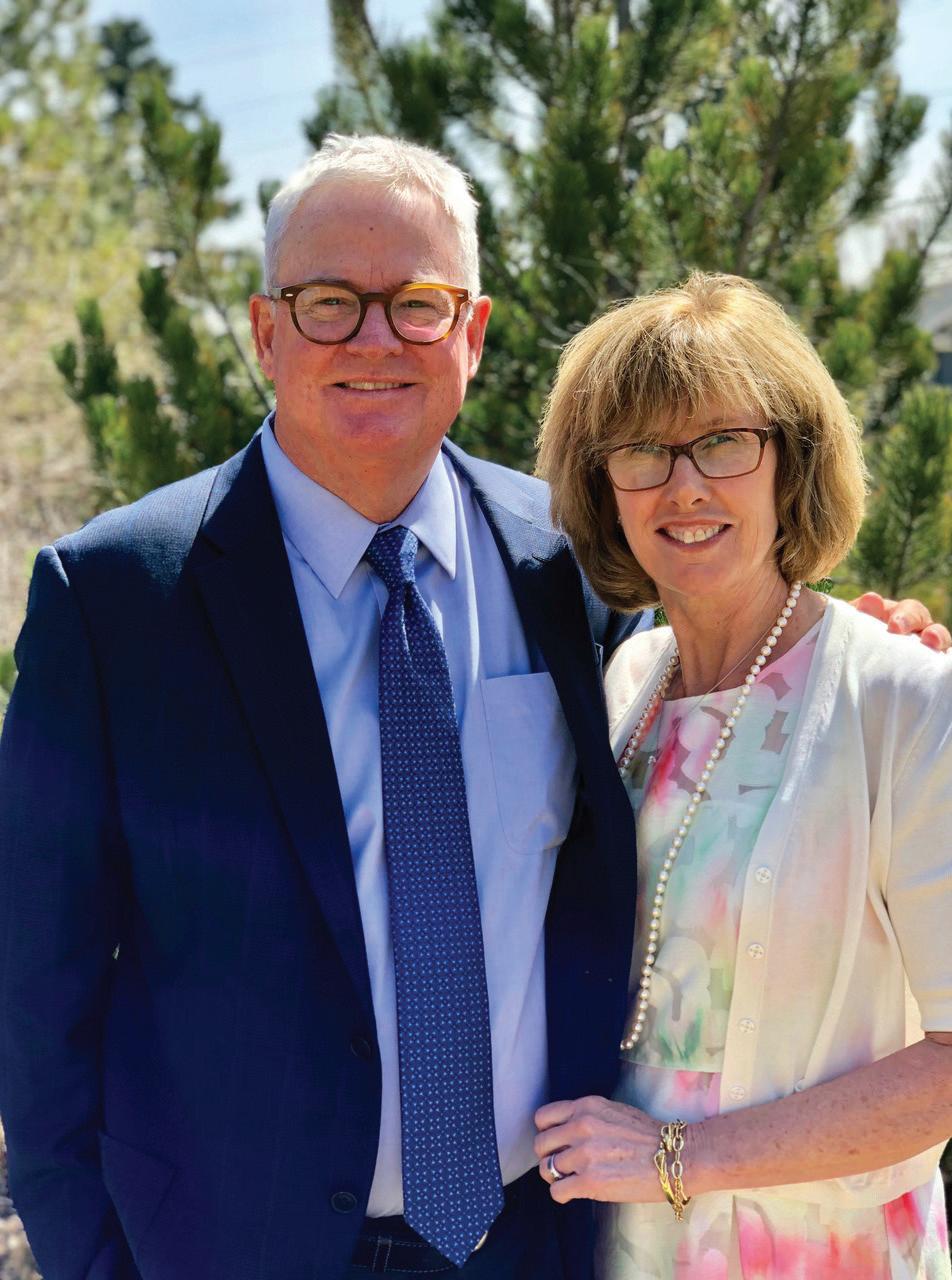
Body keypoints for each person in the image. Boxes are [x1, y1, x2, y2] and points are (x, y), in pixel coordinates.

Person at [0, 139, 942, 1280]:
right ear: (265, 331)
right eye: (329, 302)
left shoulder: (565, 565)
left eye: (418, 303)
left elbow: (736, 668)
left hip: (539, 1237)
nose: (375, 340)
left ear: (474, 331)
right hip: (227, 1248)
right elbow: (36, 992)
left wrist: (867, 640)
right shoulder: (116, 598)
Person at [534, 272, 952, 1279]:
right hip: (623, 1248)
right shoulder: (621, 687)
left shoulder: (902, 699)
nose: (684, 487)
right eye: (642, 451)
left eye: (724, 441)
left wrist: (678, 1156)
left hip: (824, 1255)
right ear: (604, 488)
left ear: (789, 461)